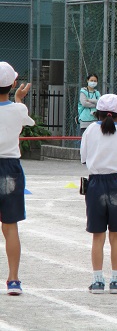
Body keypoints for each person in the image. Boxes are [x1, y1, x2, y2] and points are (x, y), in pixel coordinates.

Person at [80, 94, 117, 294]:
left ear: (98, 113)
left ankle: (97, 281)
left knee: (97, 235)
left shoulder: (90, 130)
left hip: (96, 183)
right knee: (116, 235)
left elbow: (84, 158)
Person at [0, 61, 34, 295]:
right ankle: (14, 280)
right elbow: (23, 118)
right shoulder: (18, 109)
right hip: (10, 167)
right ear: (13, 84)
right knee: (10, 226)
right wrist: (20, 98)